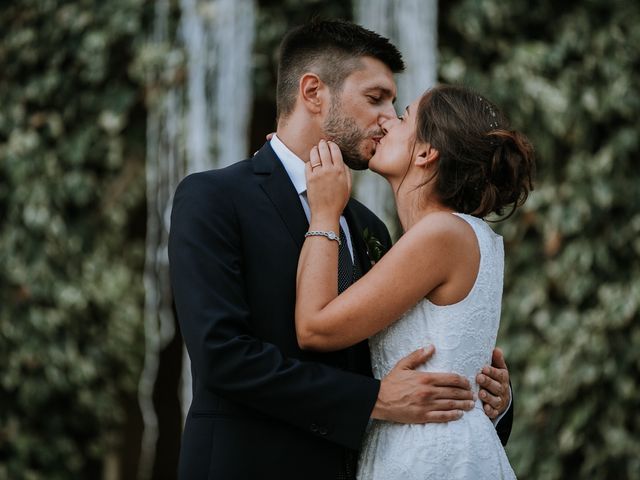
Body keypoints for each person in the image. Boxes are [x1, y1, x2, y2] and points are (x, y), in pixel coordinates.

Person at [169, 20, 513, 480]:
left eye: (395, 104)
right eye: (376, 98)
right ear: (313, 92)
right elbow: (222, 357)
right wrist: (373, 400)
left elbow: (406, 352)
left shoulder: (369, 226)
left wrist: (490, 397)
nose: (388, 116)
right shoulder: (214, 198)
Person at [295, 84, 534, 478]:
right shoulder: (464, 236)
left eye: (404, 117)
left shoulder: (441, 234)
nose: (387, 120)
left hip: (428, 457)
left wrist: (323, 214)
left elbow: (314, 328)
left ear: (425, 153)